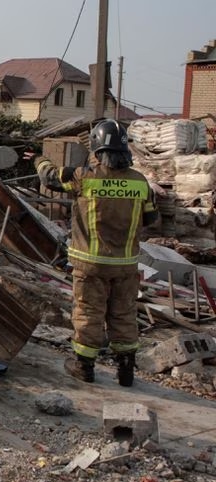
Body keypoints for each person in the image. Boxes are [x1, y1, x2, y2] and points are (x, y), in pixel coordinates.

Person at [33, 119, 158, 386]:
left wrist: (38, 158)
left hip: (90, 264)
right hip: (125, 265)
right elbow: (151, 219)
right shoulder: (140, 183)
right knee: (123, 314)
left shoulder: (83, 177)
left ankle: (84, 367)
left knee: (89, 312)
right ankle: (126, 372)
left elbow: (49, 176)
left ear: (97, 149)